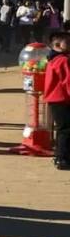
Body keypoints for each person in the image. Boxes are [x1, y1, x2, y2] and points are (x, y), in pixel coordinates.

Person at [44, 31, 70, 170]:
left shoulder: (52, 58)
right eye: (68, 42)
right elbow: (68, 81)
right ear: (58, 44)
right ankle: (63, 158)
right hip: (62, 98)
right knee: (66, 129)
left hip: (54, 99)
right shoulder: (63, 60)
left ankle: (60, 156)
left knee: (62, 129)